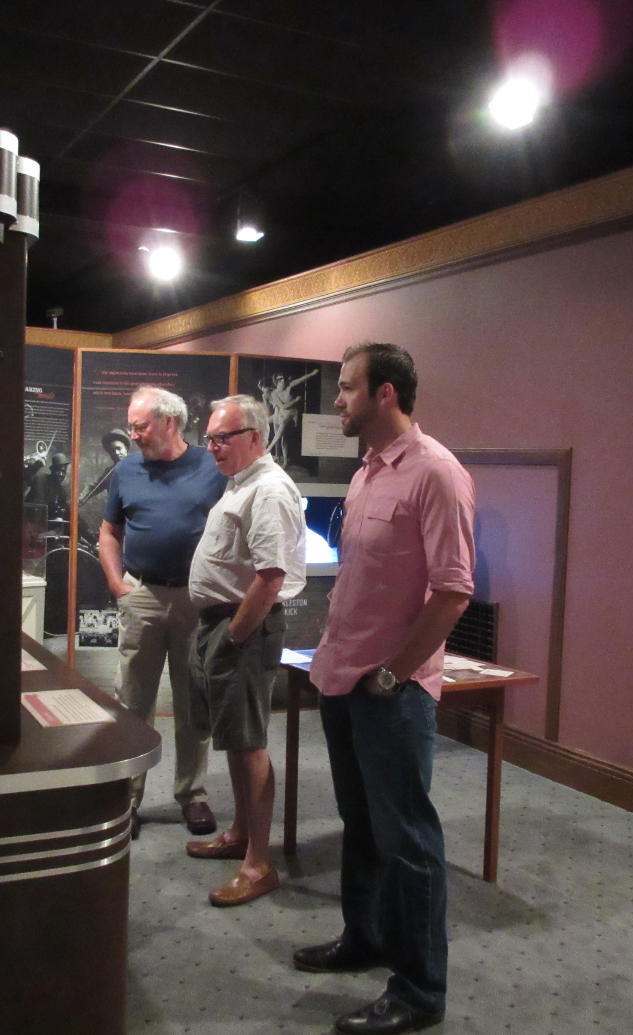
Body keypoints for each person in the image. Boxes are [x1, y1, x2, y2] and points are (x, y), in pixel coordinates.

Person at [295, 343, 474, 1035]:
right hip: (343, 675)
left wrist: (396, 671)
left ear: (387, 394)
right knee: (362, 825)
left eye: (346, 388)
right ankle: (363, 937)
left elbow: (454, 591)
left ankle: (420, 988)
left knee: (408, 839)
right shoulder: (369, 470)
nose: (336, 400)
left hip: (389, 690)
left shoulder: (436, 473)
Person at [185, 394, 305, 907]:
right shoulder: (243, 483)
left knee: (250, 741)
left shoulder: (270, 490)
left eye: (221, 437)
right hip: (224, 624)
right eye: (208, 437)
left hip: (244, 629)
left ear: (254, 437)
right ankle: (238, 835)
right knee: (234, 739)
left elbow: (271, 577)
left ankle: (259, 864)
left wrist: (235, 636)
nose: (211, 446)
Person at [98, 387, 226, 838]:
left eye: (140, 426)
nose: (133, 435)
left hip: (197, 600)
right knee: (132, 700)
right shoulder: (127, 469)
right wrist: (118, 585)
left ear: (171, 422)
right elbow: (109, 532)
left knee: (195, 700)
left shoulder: (214, 467)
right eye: (131, 425)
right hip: (143, 595)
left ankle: (192, 795)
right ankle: (126, 797)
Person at [262, 367, 318, 468]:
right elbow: (282, 406)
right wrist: (295, 400)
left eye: (283, 378)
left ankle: (269, 449)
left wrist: (312, 374)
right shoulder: (274, 393)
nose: (283, 380)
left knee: (282, 426)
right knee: (281, 438)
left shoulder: (289, 386)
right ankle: (279, 458)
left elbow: (301, 379)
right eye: (280, 379)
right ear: (277, 382)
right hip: (280, 414)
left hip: (291, 413)